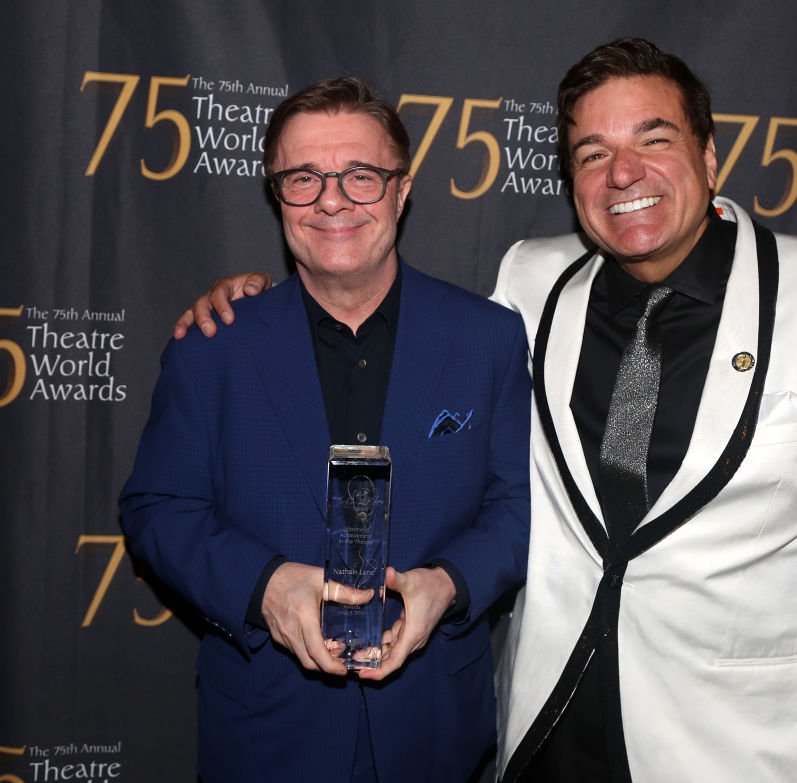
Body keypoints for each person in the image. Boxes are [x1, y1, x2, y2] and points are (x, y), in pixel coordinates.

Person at [178, 39, 797, 783]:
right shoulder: (531, 284)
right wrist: (256, 303)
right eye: (592, 152)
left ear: (709, 156)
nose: (623, 172)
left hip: (734, 748)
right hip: (549, 728)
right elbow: (354, 297)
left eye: (654, 138)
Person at [120, 76, 531, 783]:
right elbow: (158, 508)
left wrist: (449, 584)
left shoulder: (488, 338)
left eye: (361, 176)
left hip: (434, 727)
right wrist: (267, 588)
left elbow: (517, 505)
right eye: (303, 177)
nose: (332, 199)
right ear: (277, 196)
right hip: (266, 731)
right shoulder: (213, 345)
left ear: (402, 191)